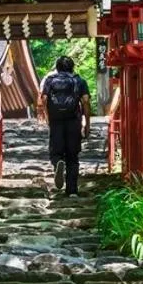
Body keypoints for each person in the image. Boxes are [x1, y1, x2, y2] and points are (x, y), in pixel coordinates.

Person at [38, 55, 92, 195]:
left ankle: (58, 163)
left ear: (57, 68)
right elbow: (85, 102)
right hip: (74, 120)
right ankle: (72, 191)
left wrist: (47, 116)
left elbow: (43, 99)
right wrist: (87, 124)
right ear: (72, 67)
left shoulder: (50, 80)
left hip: (56, 121)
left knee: (55, 151)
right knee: (73, 156)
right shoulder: (79, 81)